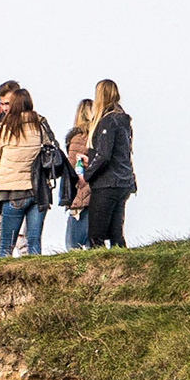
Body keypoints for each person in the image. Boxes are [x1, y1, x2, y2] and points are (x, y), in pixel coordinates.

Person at [0, 89, 53, 256]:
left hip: (13, 190)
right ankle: (37, 272)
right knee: (34, 240)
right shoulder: (39, 125)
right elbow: (49, 150)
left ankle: (4, 273)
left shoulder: (4, 128)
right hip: (38, 189)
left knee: (7, 243)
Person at [82, 80, 137, 249]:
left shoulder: (108, 121)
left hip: (107, 183)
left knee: (96, 235)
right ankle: (123, 263)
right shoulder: (122, 119)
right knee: (116, 234)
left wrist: (87, 174)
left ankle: (99, 265)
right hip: (123, 181)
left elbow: (104, 156)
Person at [62, 98, 94, 251]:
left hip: (81, 193)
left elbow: (72, 167)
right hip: (96, 191)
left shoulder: (78, 138)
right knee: (91, 242)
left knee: (72, 244)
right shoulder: (97, 136)